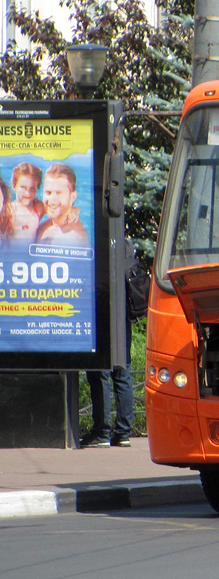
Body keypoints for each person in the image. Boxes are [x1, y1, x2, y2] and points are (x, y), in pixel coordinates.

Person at [82, 241, 146, 448]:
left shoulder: (94, 240)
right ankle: (123, 432)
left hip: (99, 314)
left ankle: (102, 432)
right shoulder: (123, 242)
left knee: (99, 372)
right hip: (122, 317)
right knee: (122, 371)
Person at [35, 163, 88, 246]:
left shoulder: (73, 238)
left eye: (59, 193)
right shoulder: (43, 227)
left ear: (73, 197)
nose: (52, 200)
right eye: (48, 192)